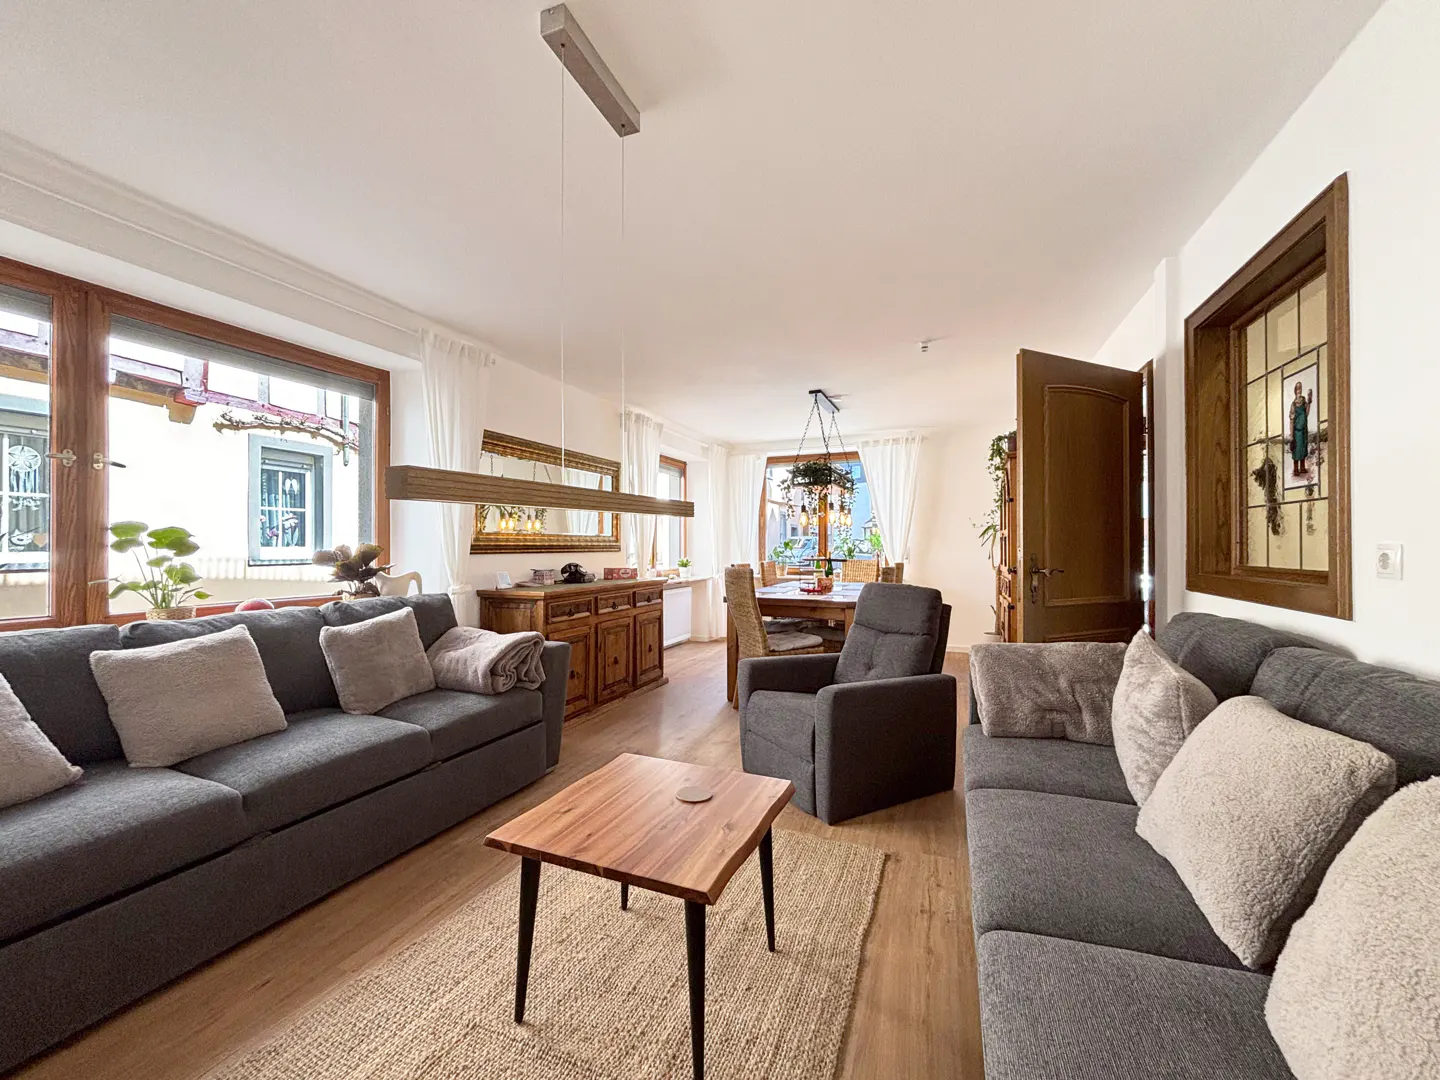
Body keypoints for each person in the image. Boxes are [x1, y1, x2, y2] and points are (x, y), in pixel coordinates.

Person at [1290, 381, 1313, 477]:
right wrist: (1291, 435)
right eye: (1297, 388)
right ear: (1295, 390)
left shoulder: (1304, 402)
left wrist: (1309, 401)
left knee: (1303, 448)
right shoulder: (1293, 404)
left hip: (1304, 430)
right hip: (1297, 431)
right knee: (1296, 450)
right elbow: (1291, 420)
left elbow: (1306, 413)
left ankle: (1302, 468)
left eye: (1300, 388)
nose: (1299, 390)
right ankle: (1296, 469)